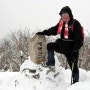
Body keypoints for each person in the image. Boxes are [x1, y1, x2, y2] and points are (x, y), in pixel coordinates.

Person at [36, 6, 83, 84]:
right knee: (49, 46)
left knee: (73, 66)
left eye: (65, 14)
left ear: (70, 14)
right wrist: (43, 33)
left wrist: (75, 50)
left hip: (71, 49)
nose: (63, 16)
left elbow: (79, 39)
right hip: (62, 46)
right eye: (62, 14)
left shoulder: (75, 23)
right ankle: (51, 63)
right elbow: (53, 30)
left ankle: (76, 83)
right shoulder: (61, 23)